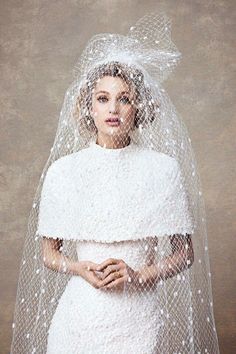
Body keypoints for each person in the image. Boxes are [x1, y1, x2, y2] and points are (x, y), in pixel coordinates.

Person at [10, 12, 220, 354]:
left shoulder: (162, 169)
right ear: (88, 107)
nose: (114, 109)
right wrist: (79, 268)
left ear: (138, 108)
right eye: (103, 98)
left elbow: (185, 253)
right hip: (78, 318)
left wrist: (138, 276)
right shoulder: (64, 171)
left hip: (138, 318)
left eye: (124, 98)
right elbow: (49, 252)